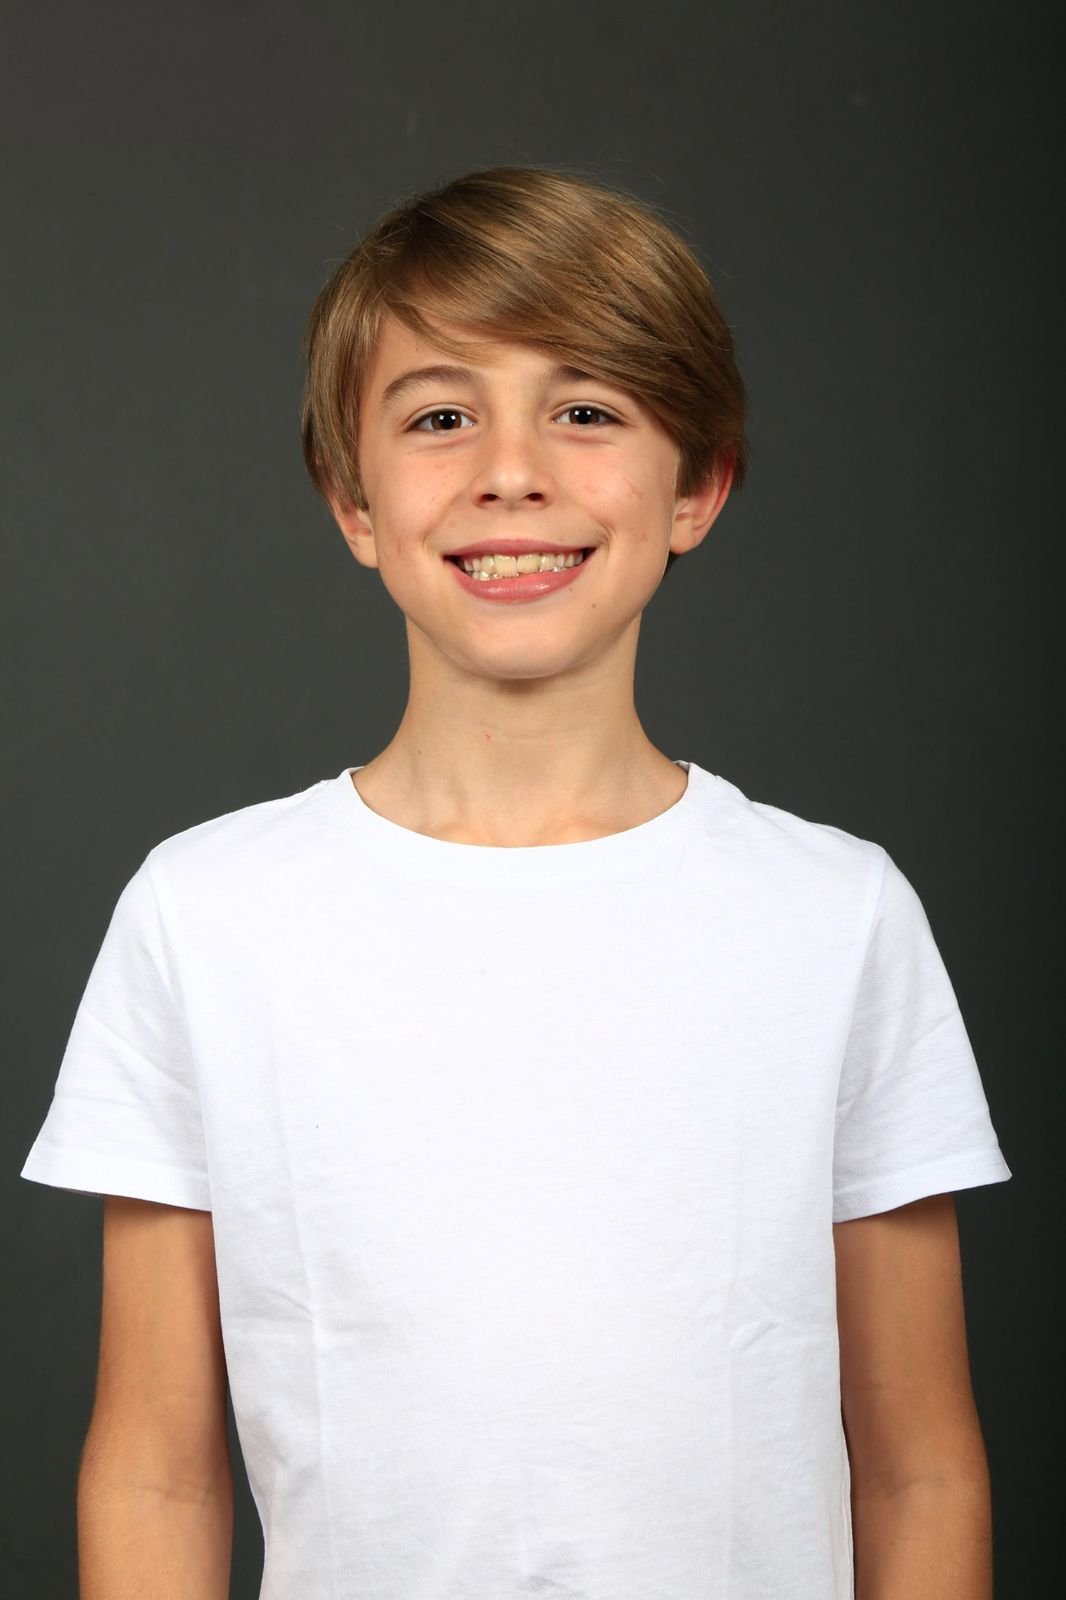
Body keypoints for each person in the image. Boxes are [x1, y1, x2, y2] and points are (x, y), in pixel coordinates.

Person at [21, 164, 1012, 1599]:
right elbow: (156, 1472)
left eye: (587, 410)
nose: (510, 470)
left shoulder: (837, 915)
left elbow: (918, 1468)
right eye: (439, 416)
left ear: (698, 485)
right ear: (353, 499)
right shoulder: (207, 915)